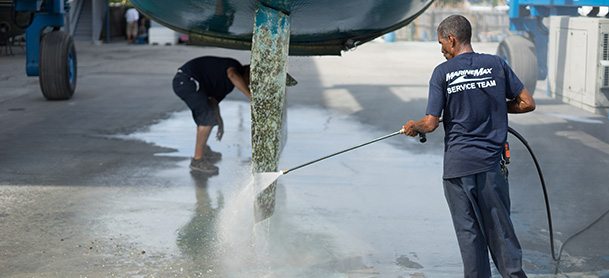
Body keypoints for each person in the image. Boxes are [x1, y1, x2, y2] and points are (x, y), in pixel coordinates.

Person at [402, 15, 535, 277]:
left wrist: (413, 126)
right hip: (490, 168)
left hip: (458, 169)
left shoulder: (442, 73)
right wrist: (495, 105)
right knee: (502, 234)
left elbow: (430, 124)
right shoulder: (497, 64)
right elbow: (527, 103)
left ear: (452, 39)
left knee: (470, 238)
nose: (441, 50)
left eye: (441, 43)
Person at [172, 56, 251, 174]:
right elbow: (232, 75)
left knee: (208, 117)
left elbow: (213, 101)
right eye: (250, 80)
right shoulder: (234, 66)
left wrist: (220, 122)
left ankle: (203, 150)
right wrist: (252, 98)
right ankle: (197, 160)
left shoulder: (228, 86)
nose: (249, 83)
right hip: (186, 80)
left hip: (189, 83)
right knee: (206, 119)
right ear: (247, 71)